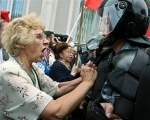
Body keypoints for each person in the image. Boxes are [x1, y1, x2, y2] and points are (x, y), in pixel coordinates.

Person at [0, 13, 97, 120]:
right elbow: (55, 112)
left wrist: (83, 78)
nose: (46, 41)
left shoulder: (32, 68)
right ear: (21, 42)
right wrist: (87, 82)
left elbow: (57, 88)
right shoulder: (9, 72)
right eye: (39, 36)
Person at [86, 0, 150, 120]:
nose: (101, 27)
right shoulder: (109, 55)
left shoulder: (133, 60)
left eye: (106, 22)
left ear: (123, 24)